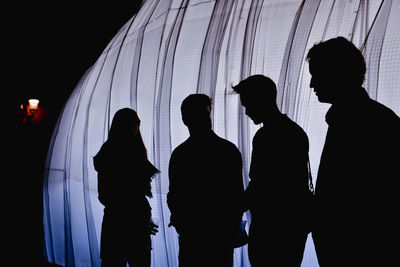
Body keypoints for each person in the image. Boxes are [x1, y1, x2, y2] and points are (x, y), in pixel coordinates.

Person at [306, 36, 400, 266]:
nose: (311, 85)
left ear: (337, 74)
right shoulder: (366, 118)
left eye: (316, 75)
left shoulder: (369, 123)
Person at [233, 75, 312, 266]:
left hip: (271, 228)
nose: (246, 112)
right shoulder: (294, 131)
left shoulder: (265, 136)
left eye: (248, 105)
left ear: (261, 100)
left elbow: (261, 185)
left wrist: (231, 209)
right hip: (292, 227)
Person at [167, 94, 245, 267]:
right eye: (201, 114)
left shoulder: (180, 155)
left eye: (206, 114)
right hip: (218, 238)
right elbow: (237, 198)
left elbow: (174, 197)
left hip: (193, 238)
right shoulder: (228, 151)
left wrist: (184, 224)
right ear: (186, 119)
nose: (205, 120)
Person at [93, 108, 159, 267]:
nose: (136, 128)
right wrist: (139, 214)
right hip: (131, 223)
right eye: (134, 124)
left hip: (116, 223)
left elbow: (104, 196)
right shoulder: (135, 153)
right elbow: (108, 196)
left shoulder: (108, 153)